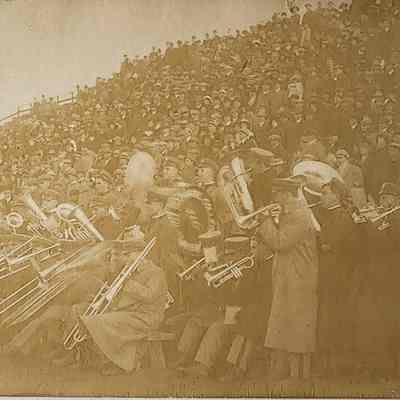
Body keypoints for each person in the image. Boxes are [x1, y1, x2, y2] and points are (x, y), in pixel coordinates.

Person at [258, 177, 319, 380]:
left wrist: (265, 221)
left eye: (276, 193)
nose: (274, 197)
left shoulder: (300, 215)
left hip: (299, 280)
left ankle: (299, 377)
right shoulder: (292, 213)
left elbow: (280, 242)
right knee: (286, 326)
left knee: (297, 328)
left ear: (286, 194)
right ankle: (287, 374)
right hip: (290, 278)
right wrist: (271, 220)